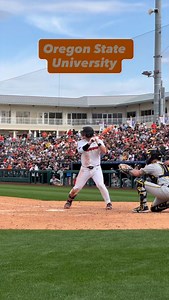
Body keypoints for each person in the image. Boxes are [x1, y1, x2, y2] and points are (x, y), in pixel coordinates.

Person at [64, 126, 112, 210]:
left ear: (87, 134)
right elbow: (81, 150)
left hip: (96, 168)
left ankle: (108, 203)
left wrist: (98, 142)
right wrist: (89, 143)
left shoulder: (99, 141)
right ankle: (69, 201)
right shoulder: (80, 142)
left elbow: (104, 151)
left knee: (100, 185)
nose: (82, 134)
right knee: (77, 187)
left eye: (84, 133)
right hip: (85, 169)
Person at [128, 148, 169, 213]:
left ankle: (143, 207)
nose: (148, 157)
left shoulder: (153, 165)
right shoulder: (165, 165)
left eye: (149, 155)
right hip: (165, 190)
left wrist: (128, 170)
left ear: (153, 156)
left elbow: (137, 173)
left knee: (139, 182)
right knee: (154, 208)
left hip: (165, 190)